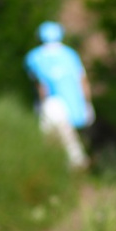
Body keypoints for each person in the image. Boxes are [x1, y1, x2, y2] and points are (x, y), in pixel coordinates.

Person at [24, 21, 94, 169]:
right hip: (74, 103)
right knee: (66, 137)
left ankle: (72, 164)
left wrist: (41, 104)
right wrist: (87, 103)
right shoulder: (70, 54)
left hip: (52, 103)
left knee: (53, 139)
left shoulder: (34, 57)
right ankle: (73, 164)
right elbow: (82, 81)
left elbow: (41, 86)